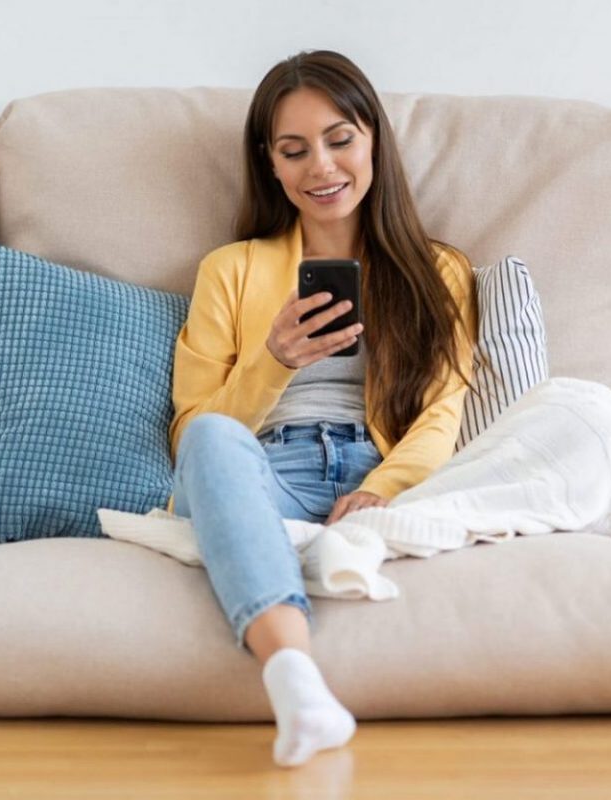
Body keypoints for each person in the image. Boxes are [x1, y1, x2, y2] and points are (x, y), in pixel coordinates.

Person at [166, 49, 478, 768]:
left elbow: (442, 411)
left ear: (372, 139)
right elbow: (193, 431)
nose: (321, 167)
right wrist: (273, 361)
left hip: (376, 469)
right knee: (213, 433)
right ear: (270, 164)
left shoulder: (440, 272)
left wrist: (382, 489)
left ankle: (298, 686)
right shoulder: (231, 268)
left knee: (579, 413)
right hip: (262, 470)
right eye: (294, 149)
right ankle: (297, 682)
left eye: (339, 139)